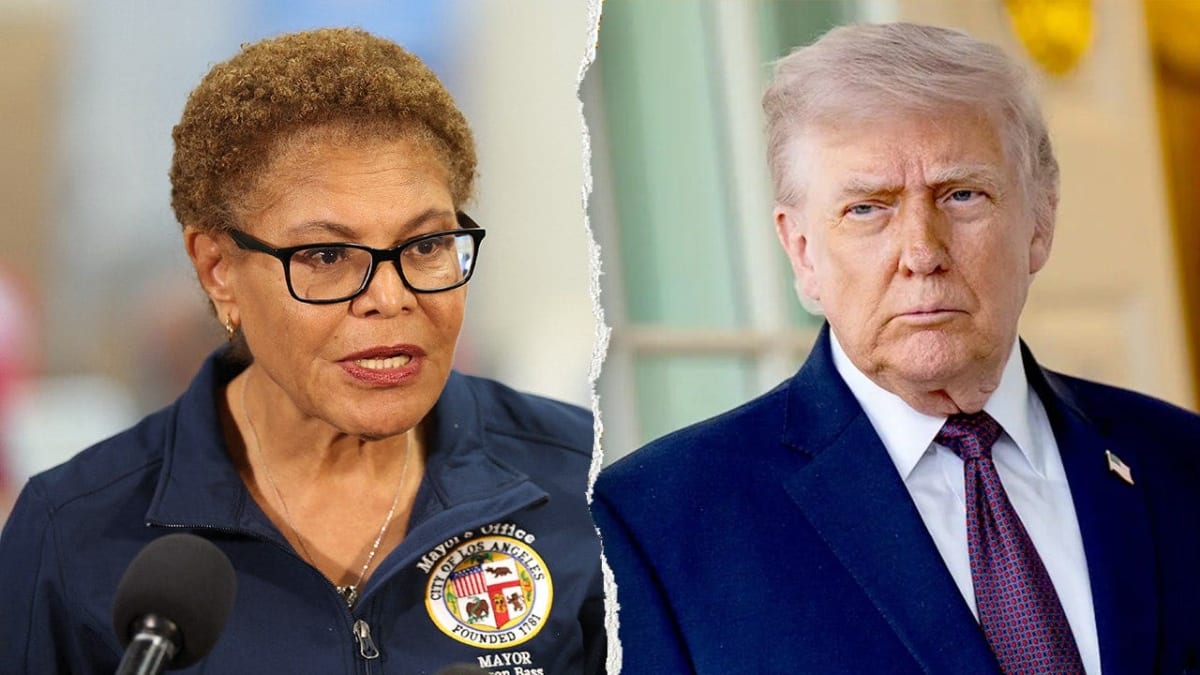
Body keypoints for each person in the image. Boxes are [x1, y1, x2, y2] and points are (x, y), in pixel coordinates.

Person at [593, 22, 1200, 674]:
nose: (921, 253)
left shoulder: (1181, 460)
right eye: (867, 208)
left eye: (961, 194)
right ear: (802, 253)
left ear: (1040, 222)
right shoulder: (655, 523)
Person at [0, 28, 604, 674]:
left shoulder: (586, 483)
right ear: (217, 270)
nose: (390, 298)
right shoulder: (71, 533)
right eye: (325, 256)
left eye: (426, 245)